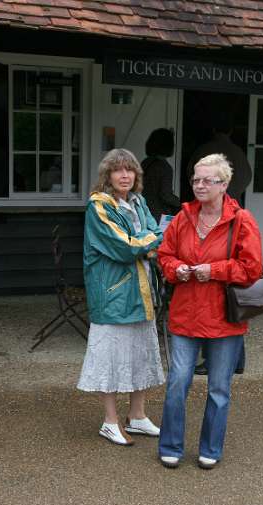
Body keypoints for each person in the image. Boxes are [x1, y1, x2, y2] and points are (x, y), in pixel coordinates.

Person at [156, 153, 263, 469]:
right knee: (177, 383)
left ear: (224, 184)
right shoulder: (183, 217)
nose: (199, 185)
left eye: (207, 180)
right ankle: (171, 446)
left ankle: (210, 449)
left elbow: (252, 268)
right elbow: (165, 256)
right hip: (186, 314)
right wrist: (179, 270)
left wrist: (213, 270)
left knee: (218, 388)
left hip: (223, 319)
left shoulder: (242, 220)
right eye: (195, 180)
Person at [77, 148, 165, 446]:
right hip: (113, 294)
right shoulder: (99, 206)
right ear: (108, 175)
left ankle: (137, 416)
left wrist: (147, 243)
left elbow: (155, 232)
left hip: (141, 292)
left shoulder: (138, 202)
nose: (125, 175)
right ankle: (110, 421)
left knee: (140, 354)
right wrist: (148, 246)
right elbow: (124, 246)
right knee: (111, 358)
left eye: (130, 170)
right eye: (118, 170)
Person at [187, 117, 253, 376]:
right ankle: (236, 360)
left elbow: (192, 175)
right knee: (235, 298)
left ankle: (220, 359)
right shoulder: (238, 153)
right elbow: (246, 176)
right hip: (231, 213)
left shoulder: (203, 153)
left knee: (216, 300)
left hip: (220, 223)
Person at [141, 128, 180, 221]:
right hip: (158, 216)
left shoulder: (145, 163)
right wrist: (179, 203)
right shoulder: (164, 168)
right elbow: (165, 195)